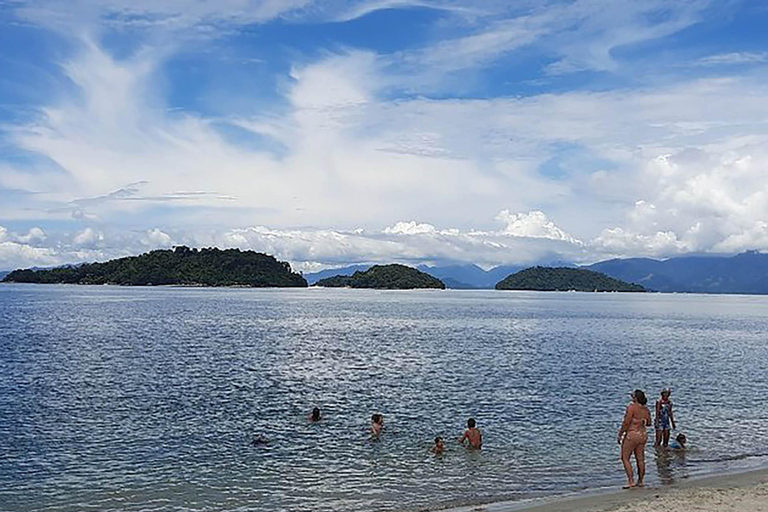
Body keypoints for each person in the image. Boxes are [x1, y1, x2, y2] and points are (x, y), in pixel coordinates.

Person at [618, 389, 652, 488]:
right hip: (642, 434)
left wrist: (620, 433)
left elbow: (626, 422)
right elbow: (649, 423)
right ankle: (641, 480)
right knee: (640, 459)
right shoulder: (646, 410)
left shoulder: (631, 408)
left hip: (632, 434)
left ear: (635, 398)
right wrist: (641, 421)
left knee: (625, 458)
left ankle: (631, 480)